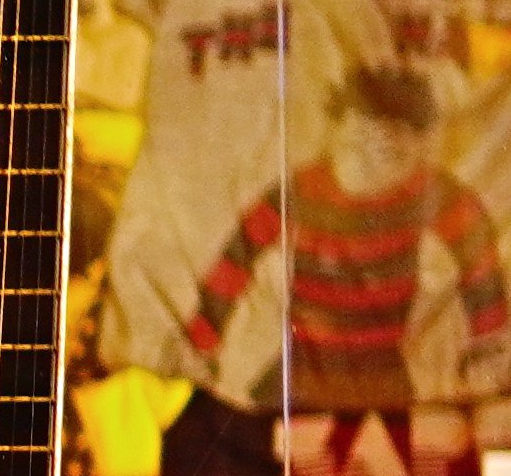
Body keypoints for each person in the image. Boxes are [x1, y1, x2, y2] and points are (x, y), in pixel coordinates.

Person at [188, 62, 507, 413]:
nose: (379, 139)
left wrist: (487, 344)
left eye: (397, 129)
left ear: (419, 139)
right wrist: (201, 341)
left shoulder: (433, 194)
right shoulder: (302, 190)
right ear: (338, 125)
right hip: (302, 368)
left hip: (383, 371)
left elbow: (480, 264)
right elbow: (236, 258)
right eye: (364, 123)